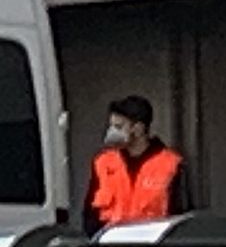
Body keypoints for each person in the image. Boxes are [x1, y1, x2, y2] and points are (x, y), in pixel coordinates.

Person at [82, 94, 192, 236]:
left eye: (118, 126)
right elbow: (90, 216)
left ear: (138, 128)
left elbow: (181, 219)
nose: (112, 132)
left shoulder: (171, 164)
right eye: (111, 126)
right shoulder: (103, 162)